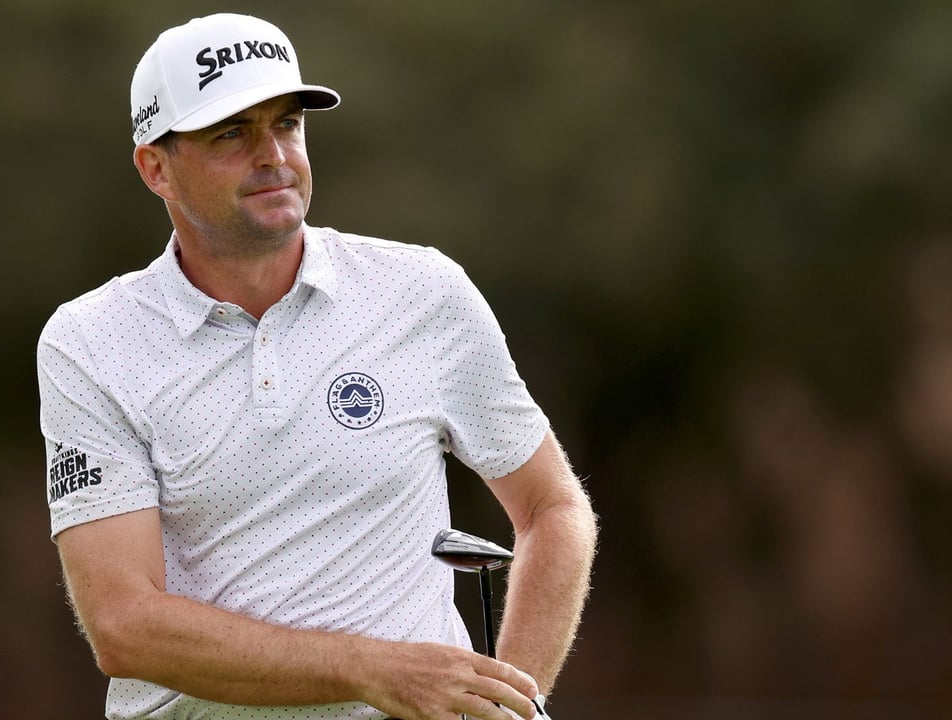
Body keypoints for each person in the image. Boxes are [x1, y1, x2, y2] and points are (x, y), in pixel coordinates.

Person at [36, 12, 597, 720]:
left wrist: (511, 701)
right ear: (156, 167)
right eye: (230, 134)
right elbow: (125, 626)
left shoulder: (421, 293)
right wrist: (370, 670)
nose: (273, 154)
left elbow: (553, 509)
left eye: (287, 124)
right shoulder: (92, 342)